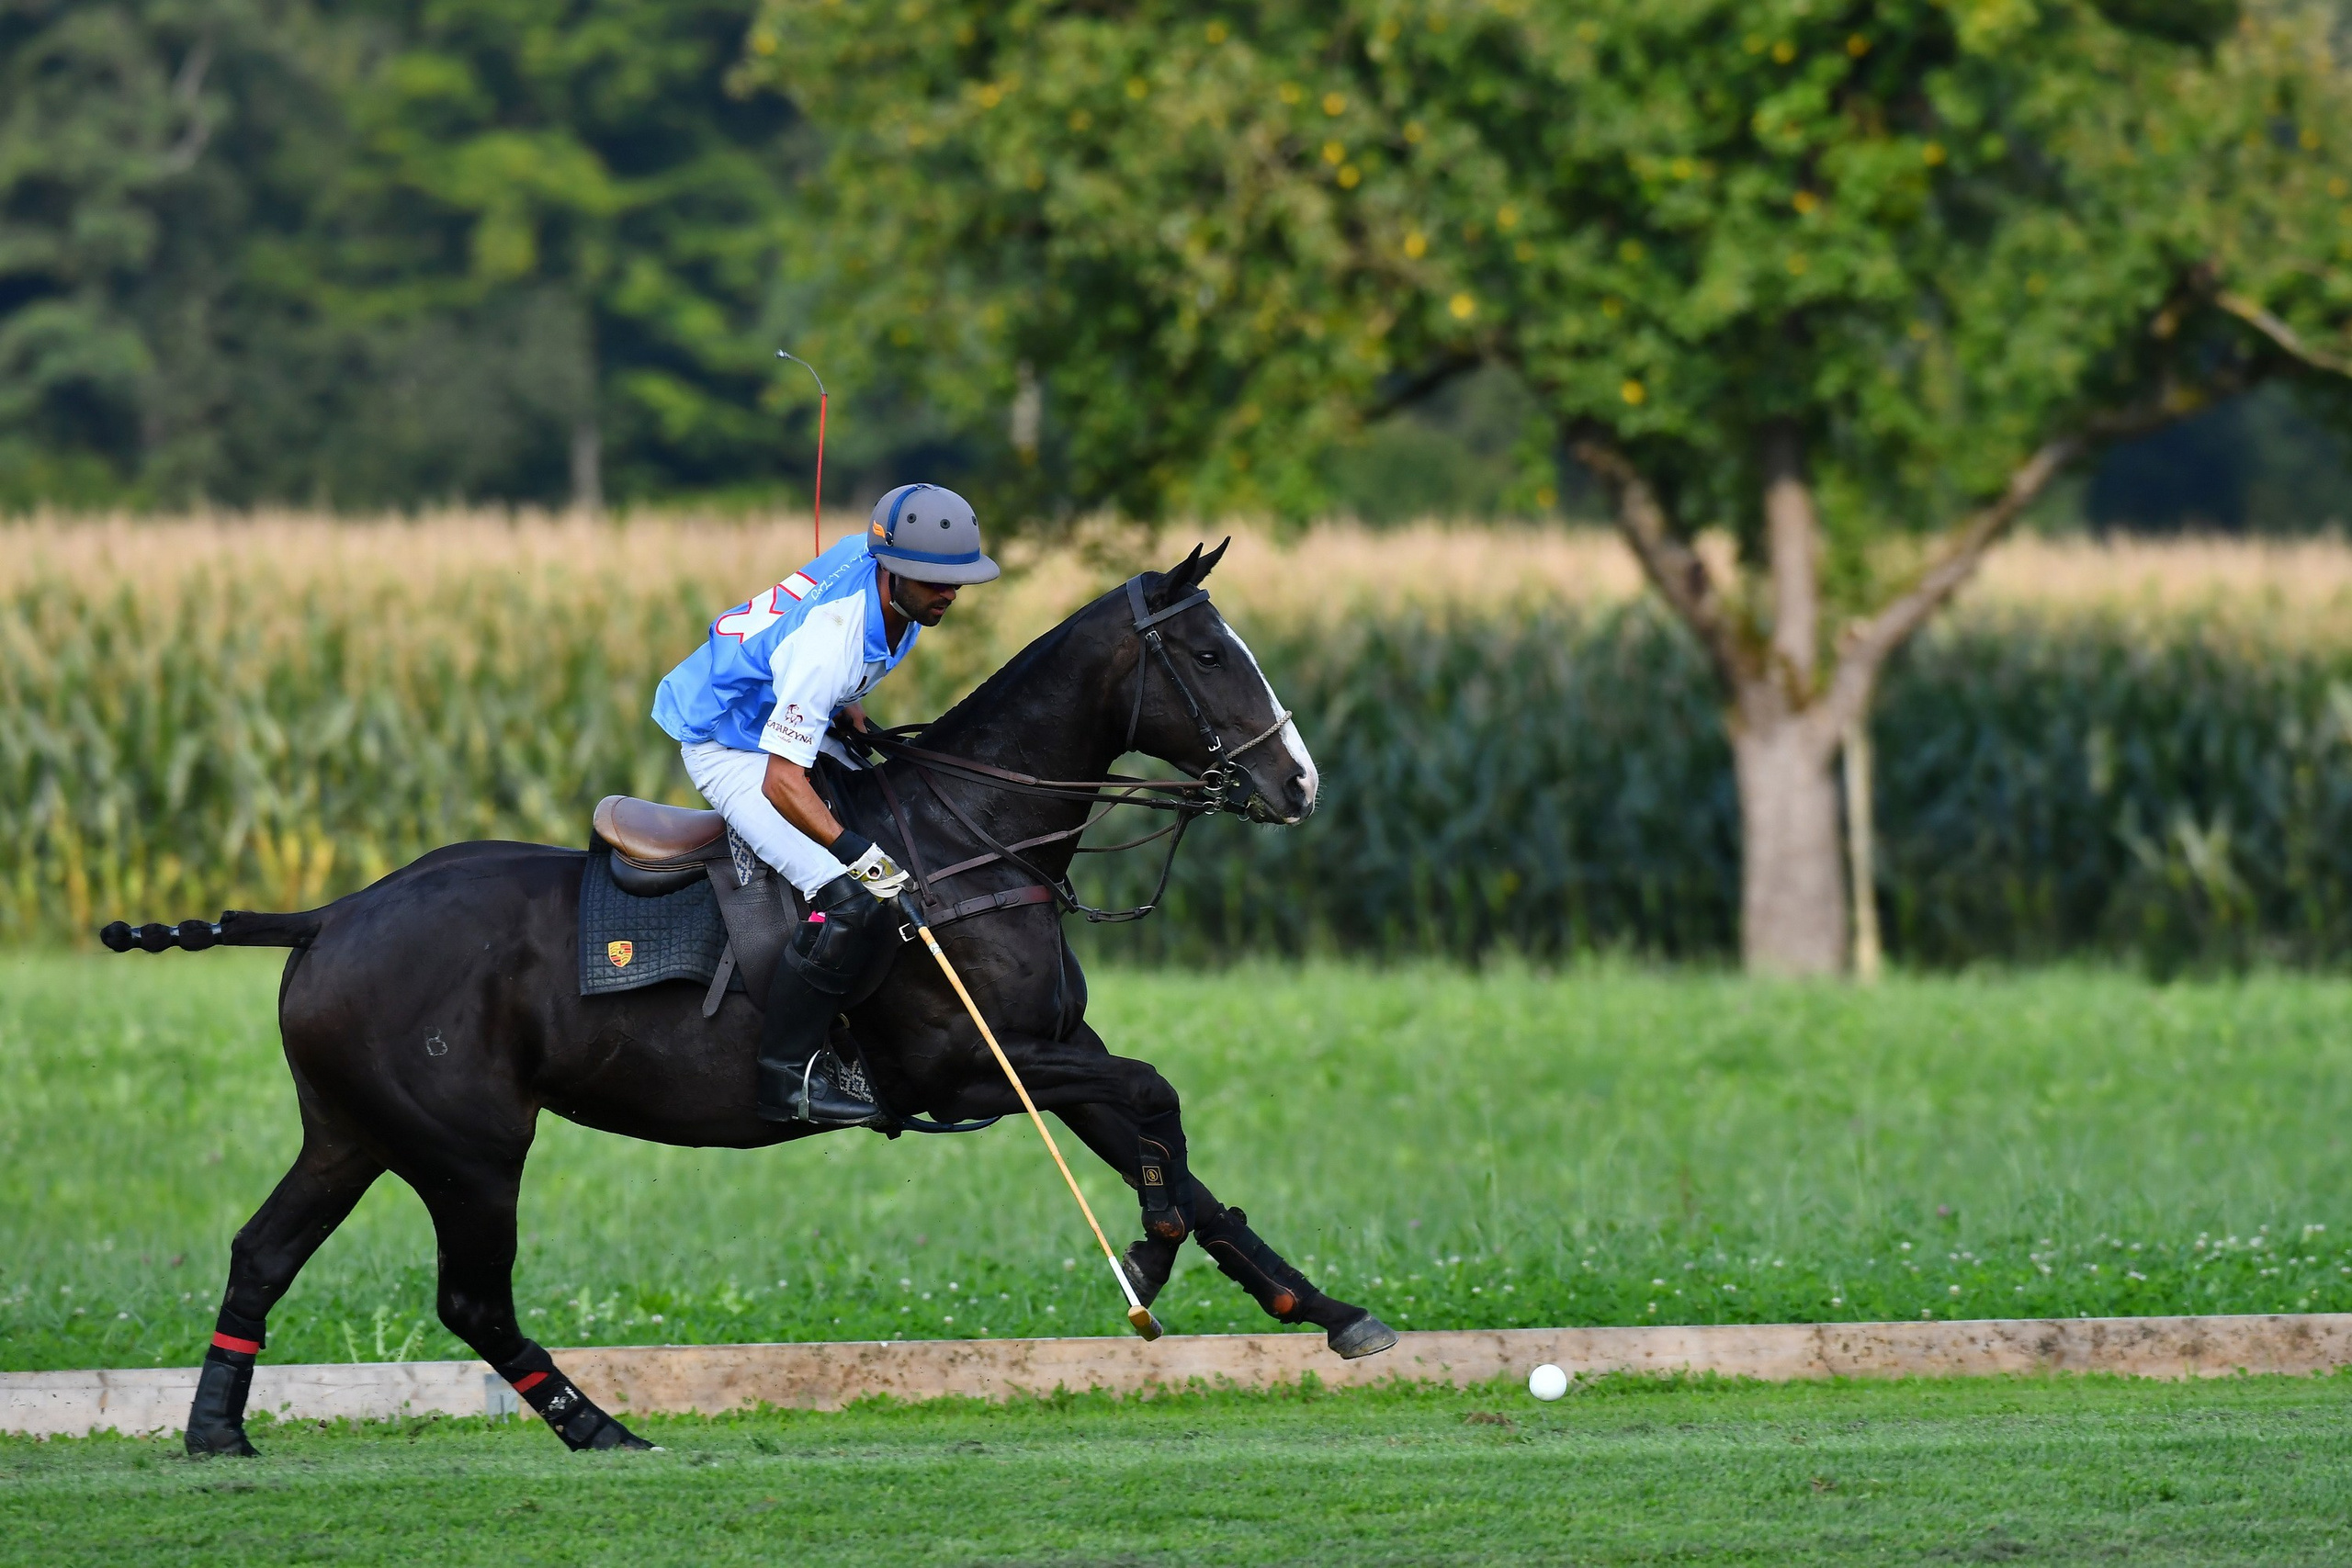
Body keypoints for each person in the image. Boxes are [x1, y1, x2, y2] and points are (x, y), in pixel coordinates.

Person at [651, 483, 1000, 1125]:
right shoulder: (832, 642)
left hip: (779, 712)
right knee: (851, 894)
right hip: (729, 742)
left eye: (958, 580)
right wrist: (856, 854)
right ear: (892, 570)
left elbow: (814, 649)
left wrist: (845, 703)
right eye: (933, 580)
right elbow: (782, 782)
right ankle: (786, 1080)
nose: (948, 593)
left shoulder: (882, 579)